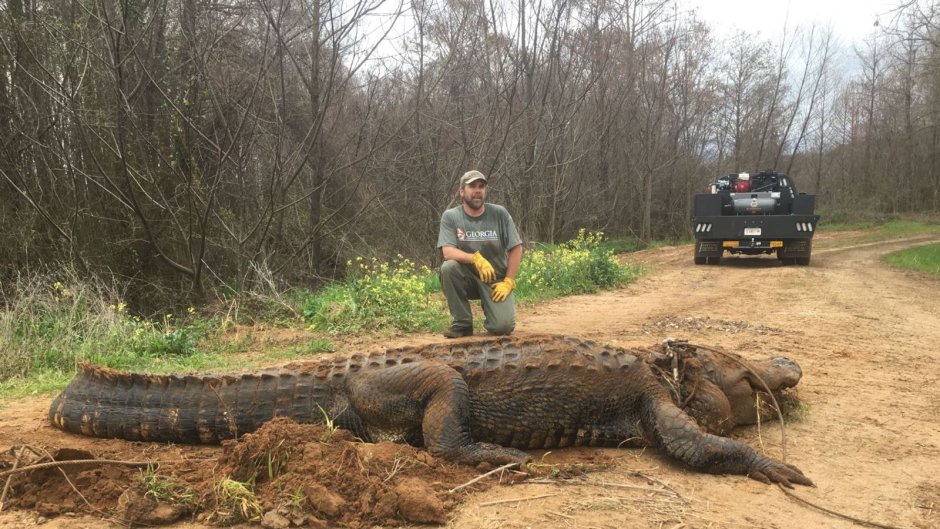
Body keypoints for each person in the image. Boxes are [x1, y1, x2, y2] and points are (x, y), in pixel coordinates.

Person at [437, 170, 523, 338]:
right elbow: (447, 252)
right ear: (462, 191)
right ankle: (462, 323)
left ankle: (494, 314)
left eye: (481, 186)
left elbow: (516, 248)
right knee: (448, 268)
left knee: (502, 327)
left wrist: (509, 281)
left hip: (495, 281)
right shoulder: (451, 216)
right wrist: (475, 258)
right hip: (467, 278)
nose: (478, 190)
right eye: (472, 186)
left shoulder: (499, 213)